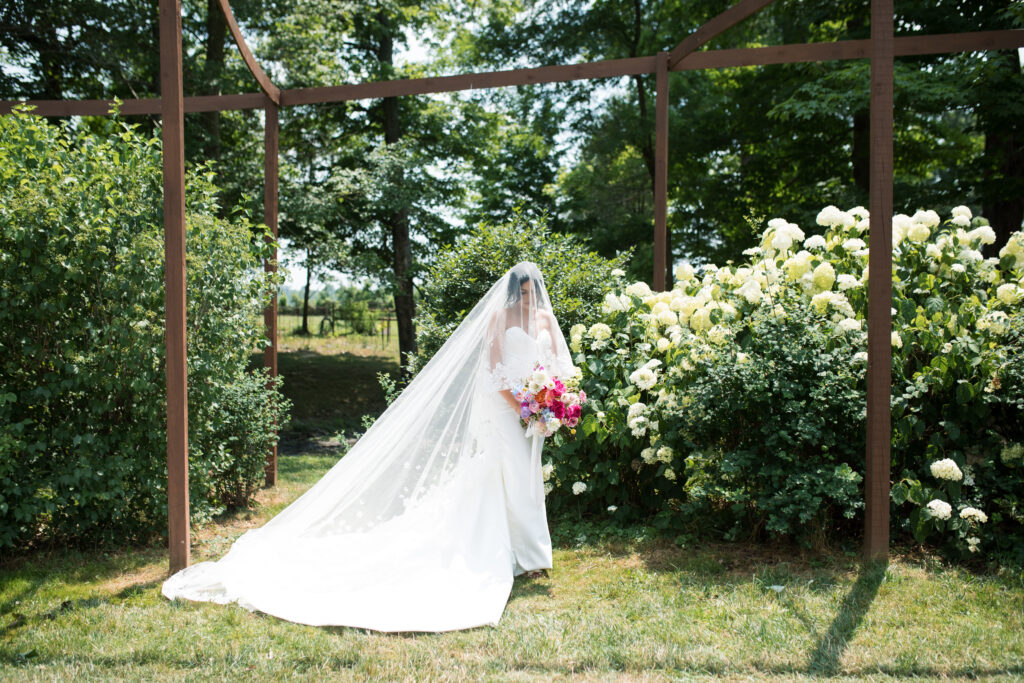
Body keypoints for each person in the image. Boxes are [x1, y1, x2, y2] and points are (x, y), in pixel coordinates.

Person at [161, 261, 576, 632]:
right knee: (510, 475)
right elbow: (495, 370)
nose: (529, 297)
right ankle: (523, 555)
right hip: (506, 411)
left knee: (525, 478)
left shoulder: (543, 318)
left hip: (534, 411)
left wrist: (553, 402)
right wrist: (523, 407)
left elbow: (557, 365)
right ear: (513, 291)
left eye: (532, 291)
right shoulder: (499, 317)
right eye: (523, 291)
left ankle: (526, 552)